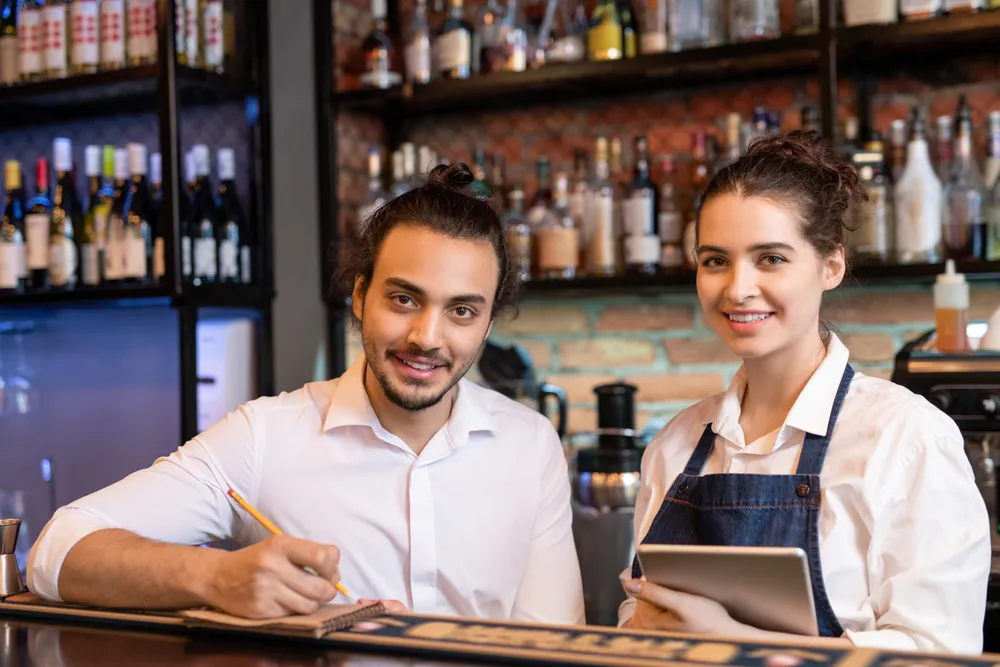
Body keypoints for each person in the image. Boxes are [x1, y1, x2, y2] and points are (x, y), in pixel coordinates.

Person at [27, 163, 586, 626]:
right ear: (361, 297)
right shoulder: (264, 436)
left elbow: (558, 645)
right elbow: (58, 550)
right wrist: (218, 578)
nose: (427, 338)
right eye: (404, 300)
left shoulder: (529, 443)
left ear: (487, 324)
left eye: (461, 310)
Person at [618, 131, 991, 654]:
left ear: (830, 266)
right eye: (715, 260)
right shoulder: (674, 448)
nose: (738, 288)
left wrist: (735, 645)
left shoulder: (907, 439)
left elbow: (939, 655)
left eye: (770, 258)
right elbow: (637, 626)